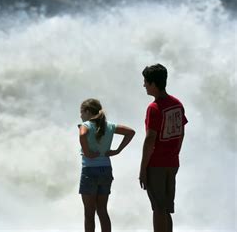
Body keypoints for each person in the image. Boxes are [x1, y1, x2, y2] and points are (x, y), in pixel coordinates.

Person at [139, 64, 188, 232]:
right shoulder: (177, 104)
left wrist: (143, 169)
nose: (144, 85)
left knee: (158, 209)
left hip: (156, 164)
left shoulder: (154, 108)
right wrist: (175, 153)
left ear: (153, 84)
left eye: (145, 81)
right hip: (172, 163)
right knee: (166, 208)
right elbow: (181, 133)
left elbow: (150, 139)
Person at [78, 98, 135, 232]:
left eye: (81, 113)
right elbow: (131, 132)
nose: (80, 116)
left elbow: (82, 134)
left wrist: (87, 152)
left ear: (87, 111)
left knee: (89, 213)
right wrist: (118, 150)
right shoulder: (109, 125)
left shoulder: (85, 125)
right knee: (102, 211)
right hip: (106, 170)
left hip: (89, 171)